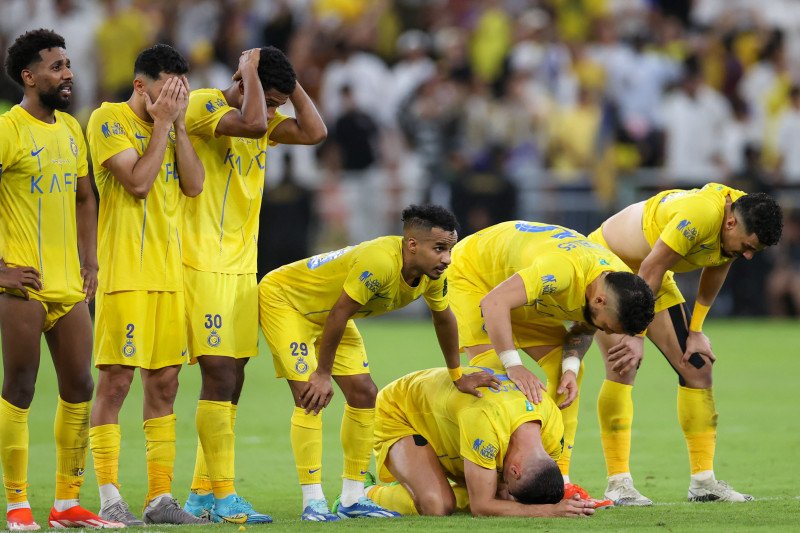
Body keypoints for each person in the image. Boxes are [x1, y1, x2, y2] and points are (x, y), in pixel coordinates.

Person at [258, 204, 492, 521]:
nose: (447, 258)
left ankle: (353, 497)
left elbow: (444, 320)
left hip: (329, 316)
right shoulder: (381, 261)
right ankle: (312, 502)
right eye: (439, 248)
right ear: (412, 245)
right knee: (310, 395)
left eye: (449, 248)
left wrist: (457, 374)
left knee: (365, 394)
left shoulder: (432, 275)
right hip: (287, 302)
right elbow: (340, 313)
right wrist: (322, 373)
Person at [180, 46, 326, 524]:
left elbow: (315, 131)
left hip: (242, 269)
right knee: (219, 374)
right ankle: (222, 496)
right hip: (201, 264)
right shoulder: (204, 105)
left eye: (283, 100)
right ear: (243, 83)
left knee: (234, 378)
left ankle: (202, 494)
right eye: (274, 97)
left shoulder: (263, 120)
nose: (279, 109)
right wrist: (248, 70)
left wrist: (290, 79)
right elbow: (255, 123)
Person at [587, 183, 783, 505]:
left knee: (698, 367)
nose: (748, 255)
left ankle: (703, 482)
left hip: (651, 272)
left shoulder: (738, 216)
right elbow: (650, 267)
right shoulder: (702, 213)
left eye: (754, 251)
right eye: (748, 246)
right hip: (608, 265)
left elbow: (716, 267)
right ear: (731, 223)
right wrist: (635, 337)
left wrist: (696, 330)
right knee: (624, 365)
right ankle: (618, 483)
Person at [0, 28, 122, 531]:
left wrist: (89, 260)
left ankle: (66, 504)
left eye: (68, 64)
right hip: (21, 283)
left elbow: (85, 198)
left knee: (79, 384)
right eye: (55, 66)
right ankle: (16, 504)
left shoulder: (72, 129)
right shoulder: (8, 130)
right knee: (22, 387)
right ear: (28, 77)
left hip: (68, 283)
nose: (67, 73)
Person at [447, 220, 655, 507]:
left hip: (519, 288)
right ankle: (493, 478)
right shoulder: (561, 271)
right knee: (496, 377)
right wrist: (514, 365)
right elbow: (494, 303)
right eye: (607, 327)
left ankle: (562, 480)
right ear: (599, 299)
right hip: (474, 276)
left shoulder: (611, 281)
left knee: (567, 373)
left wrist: (569, 368)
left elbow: (583, 327)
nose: (604, 333)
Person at [85, 44, 206, 525]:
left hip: (169, 276)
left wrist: (176, 125)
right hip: (125, 276)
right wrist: (161, 124)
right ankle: (111, 497)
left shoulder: (172, 126)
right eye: (168, 90)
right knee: (115, 383)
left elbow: (194, 186)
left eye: (182, 91)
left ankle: (160, 498)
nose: (177, 98)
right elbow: (136, 183)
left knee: (166, 384)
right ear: (141, 85)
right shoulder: (107, 119)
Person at [366, 366, 596, 518]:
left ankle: (418, 478)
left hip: (446, 416)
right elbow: (481, 507)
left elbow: (523, 490)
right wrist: (550, 511)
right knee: (437, 505)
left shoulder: (553, 434)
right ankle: (367, 494)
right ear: (514, 470)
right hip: (400, 410)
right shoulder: (486, 424)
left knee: (500, 496)